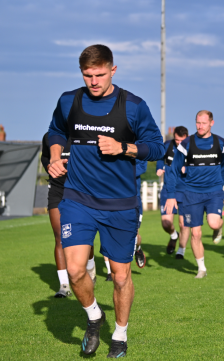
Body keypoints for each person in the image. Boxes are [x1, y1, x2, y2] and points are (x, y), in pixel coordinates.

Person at [47, 44, 164, 357]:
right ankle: (95, 316)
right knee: (74, 271)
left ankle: (121, 335)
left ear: (113, 70)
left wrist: (123, 148)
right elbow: (56, 131)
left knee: (121, 275)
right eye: (88, 75)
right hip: (77, 198)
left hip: (120, 205)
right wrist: (55, 157)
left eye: (100, 75)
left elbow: (156, 147)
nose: (94, 82)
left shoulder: (133, 106)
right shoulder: (69, 100)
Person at [164, 110, 224, 279]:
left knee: (213, 223)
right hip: (191, 193)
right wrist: (171, 195)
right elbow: (173, 169)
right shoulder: (186, 144)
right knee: (196, 233)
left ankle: (219, 226)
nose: (200, 126)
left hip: (213, 192)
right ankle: (201, 268)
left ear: (211, 123)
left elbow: (223, 167)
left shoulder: (221, 143)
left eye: (204, 123)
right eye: (197, 123)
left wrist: (219, 186)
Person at [41, 134, 96, 297]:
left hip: (80, 190)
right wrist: (51, 168)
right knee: (59, 236)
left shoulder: (84, 134)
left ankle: (90, 267)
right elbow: (45, 156)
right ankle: (64, 285)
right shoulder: (49, 137)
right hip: (57, 190)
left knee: (84, 236)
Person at [156, 126, 189, 254]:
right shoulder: (168, 145)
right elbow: (160, 158)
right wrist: (159, 167)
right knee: (166, 222)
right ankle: (174, 235)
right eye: (176, 140)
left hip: (185, 190)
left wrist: (188, 169)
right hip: (169, 188)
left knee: (183, 223)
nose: (179, 143)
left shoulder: (192, 147)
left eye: (182, 140)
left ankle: (181, 251)